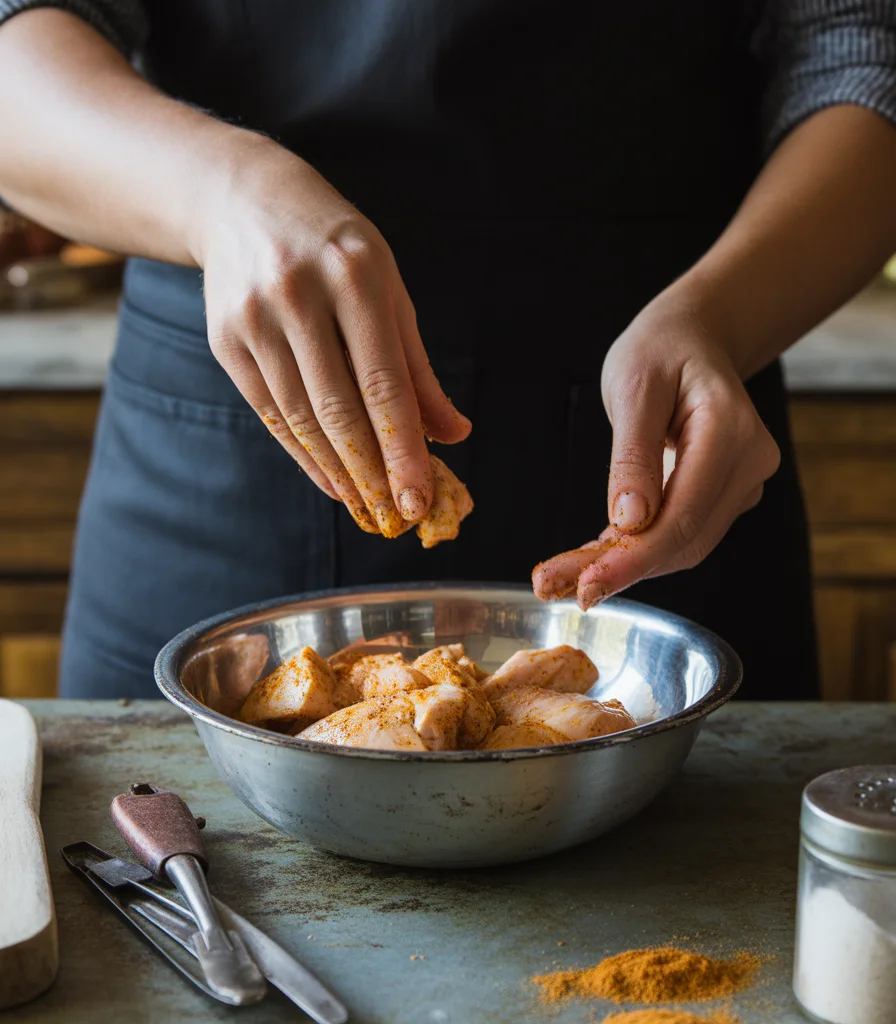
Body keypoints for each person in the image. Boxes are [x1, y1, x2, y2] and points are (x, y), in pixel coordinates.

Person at [0, 1, 894, 702]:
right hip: (217, 462)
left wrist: (721, 318)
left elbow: (860, 54)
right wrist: (221, 189)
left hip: (674, 427)